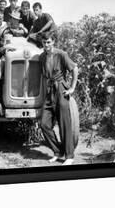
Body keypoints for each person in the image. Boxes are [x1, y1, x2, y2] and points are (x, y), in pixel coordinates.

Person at [38, 32, 79, 165]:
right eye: (44, 42)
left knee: (64, 123)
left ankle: (69, 156)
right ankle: (57, 151)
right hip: (49, 90)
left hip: (61, 88)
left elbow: (74, 69)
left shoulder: (61, 54)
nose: (46, 45)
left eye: (49, 42)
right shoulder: (42, 57)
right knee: (44, 123)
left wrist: (72, 88)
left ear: (53, 42)